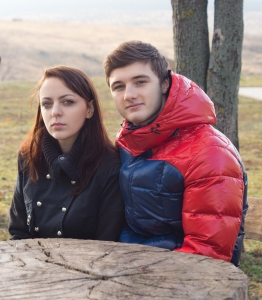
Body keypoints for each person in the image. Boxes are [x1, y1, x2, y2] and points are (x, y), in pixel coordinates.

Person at [103, 41, 248, 266]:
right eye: (118, 87)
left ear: (163, 84)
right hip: (128, 265)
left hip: (179, 278)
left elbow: (206, 255)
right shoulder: (129, 142)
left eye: (140, 82)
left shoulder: (210, 153)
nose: (129, 95)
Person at [9, 66, 125, 241]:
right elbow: (18, 233)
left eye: (67, 102)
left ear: (89, 109)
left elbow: (107, 244)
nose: (55, 112)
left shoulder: (110, 167)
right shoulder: (29, 156)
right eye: (46, 104)